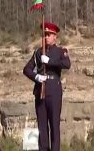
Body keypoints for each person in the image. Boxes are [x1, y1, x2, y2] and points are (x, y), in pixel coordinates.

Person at [22, 22, 71, 151]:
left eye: (49, 35)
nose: (46, 37)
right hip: (40, 90)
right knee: (42, 126)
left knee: (54, 123)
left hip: (54, 89)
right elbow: (26, 69)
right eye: (44, 34)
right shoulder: (38, 52)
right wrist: (36, 77)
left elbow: (67, 64)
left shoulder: (60, 51)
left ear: (55, 36)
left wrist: (50, 61)